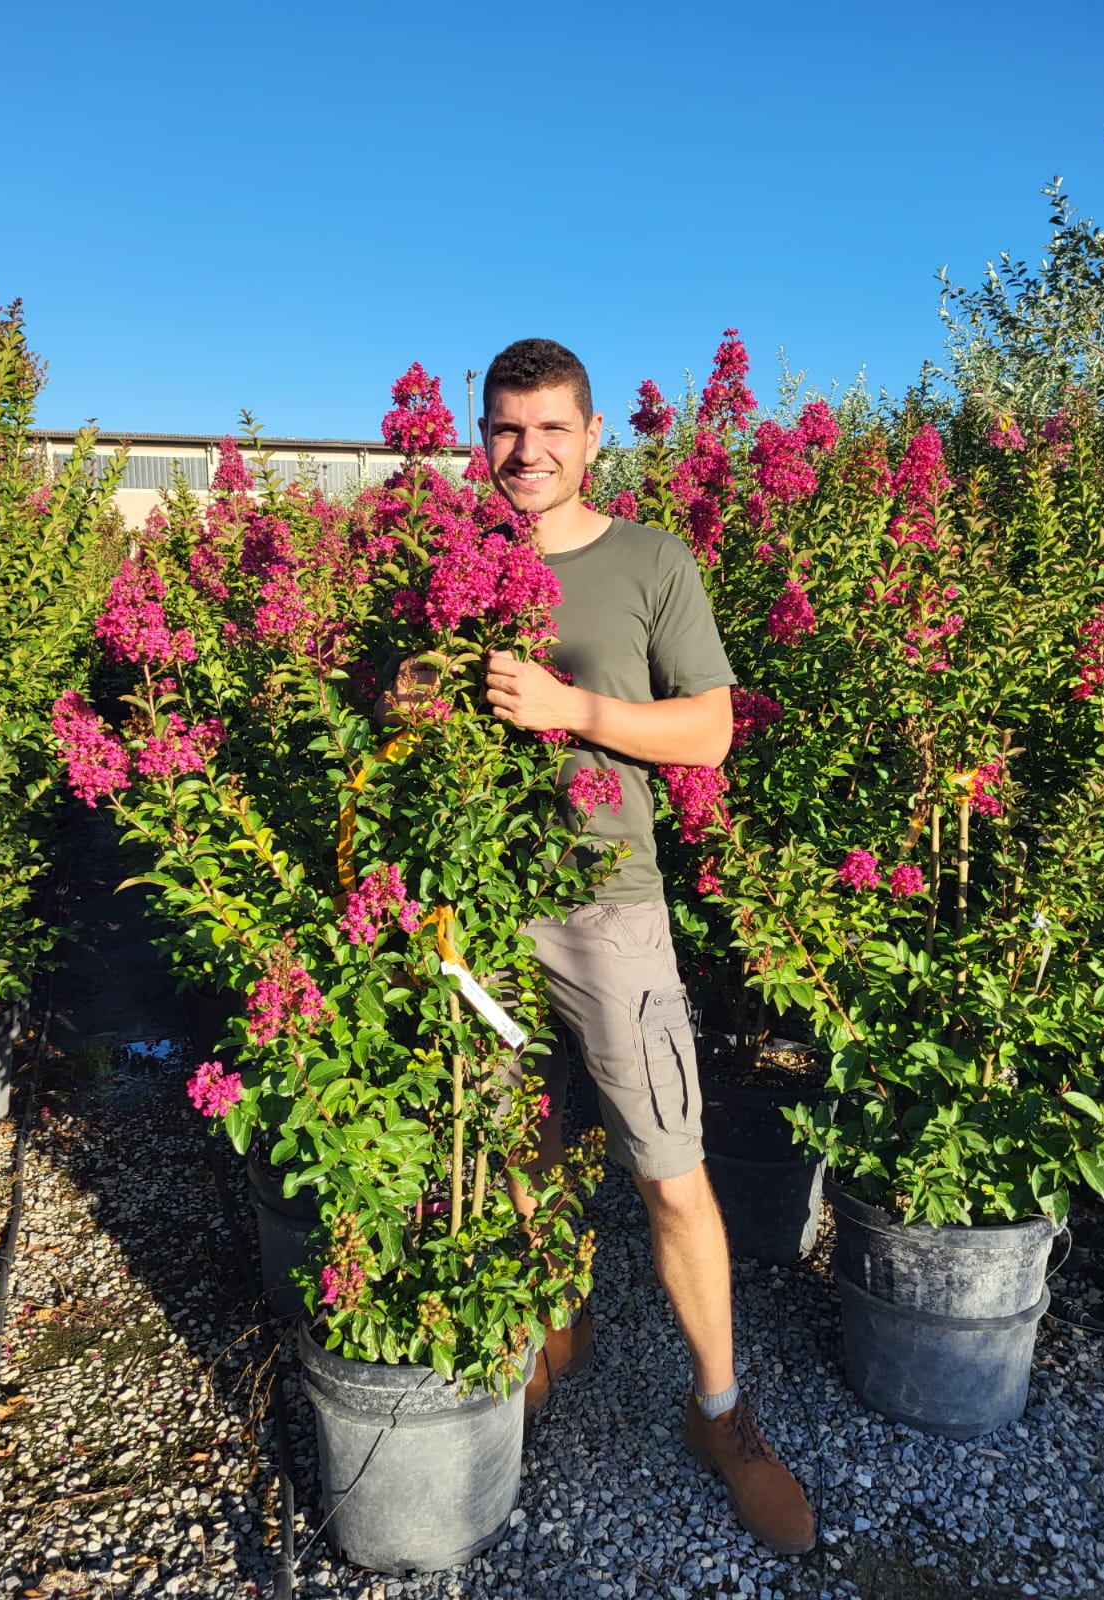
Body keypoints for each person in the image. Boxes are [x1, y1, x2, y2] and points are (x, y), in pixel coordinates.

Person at [477, 338, 816, 1558]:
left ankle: (721, 1408)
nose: (529, 452)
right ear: (483, 435)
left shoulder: (649, 561)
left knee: (671, 1169)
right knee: (522, 1142)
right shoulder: (452, 564)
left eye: (551, 429)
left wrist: (578, 710)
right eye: (508, 429)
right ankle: (543, 1333)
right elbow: (390, 700)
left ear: (590, 437)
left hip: (610, 904)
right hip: (480, 903)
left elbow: (712, 731)